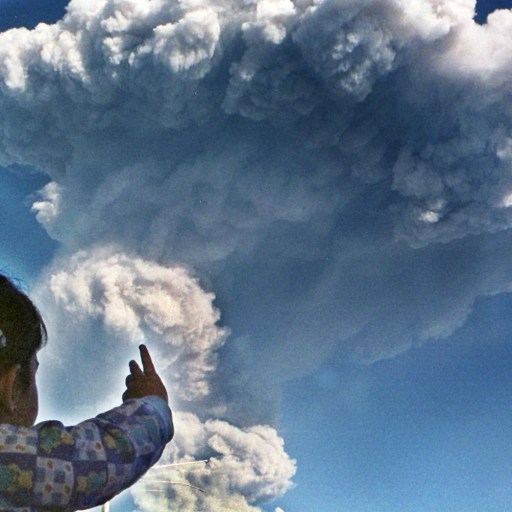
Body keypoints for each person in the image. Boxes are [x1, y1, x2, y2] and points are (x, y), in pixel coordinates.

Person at [0, 274, 174, 511]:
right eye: (34, 370)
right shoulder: (9, 457)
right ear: (10, 386)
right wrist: (153, 408)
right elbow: (95, 461)